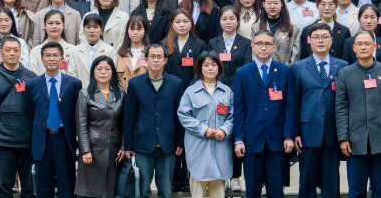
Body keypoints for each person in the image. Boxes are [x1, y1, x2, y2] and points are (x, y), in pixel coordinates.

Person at [336, 31, 381, 198]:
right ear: (354, 48)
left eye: (367, 44)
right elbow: (341, 107)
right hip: (355, 140)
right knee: (356, 190)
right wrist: (343, 138)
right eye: (359, 44)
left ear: (375, 46)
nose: (363, 47)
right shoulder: (345, 73)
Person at [231, 32, 294, 198]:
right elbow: (239, 109)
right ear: (252, 46)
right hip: (252, 140)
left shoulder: (284, 71)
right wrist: (238, 139)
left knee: (276, 191)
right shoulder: (242, 72)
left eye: (267, 44)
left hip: (277, 140)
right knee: (252, 191)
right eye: (259, 43)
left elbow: (290, 107)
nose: (263, 47)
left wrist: (289, 135)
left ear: (274, 47)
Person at [122, 43, 186, 198]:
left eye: (159, 57)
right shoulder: (135, 83)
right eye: (152, 56)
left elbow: (180, 115)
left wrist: (180, 141)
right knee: (141, 191)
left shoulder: (176, 83)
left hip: (168, 145)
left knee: (166, 191)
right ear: (146, 60)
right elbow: (129, 117)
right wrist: (128, 146)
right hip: (142, 145)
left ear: (165, 60)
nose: (156, 60)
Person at [292, 25, 343, 198]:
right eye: (316, 37)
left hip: (332, 132)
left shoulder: (342, 66)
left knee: (331, 184)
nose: (320, 40)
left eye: (324, 36)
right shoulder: (298, 67)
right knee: (307, 183)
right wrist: (295, 132)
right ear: (308, 40)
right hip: (308, 132)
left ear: (331, 40)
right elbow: (294, 102)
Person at [26, 43, 81, 198]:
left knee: (67, 186)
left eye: (55, 55)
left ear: (62, 59)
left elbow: (76, 114)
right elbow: (30, 112)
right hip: (42, 140)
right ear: (42, 59)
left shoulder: (74, 84)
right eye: (48, 55)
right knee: (43, 187)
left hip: (64, 139)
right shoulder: (32, 84)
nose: (51, 59)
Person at [178, 53, 236, 198]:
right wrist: (204, 130)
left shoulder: (227, 91)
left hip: (220, 149)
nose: (210, 68)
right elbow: (184, 116)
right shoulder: (191, 91)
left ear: (219, 67)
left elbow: (233, 116)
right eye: (206, 65)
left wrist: (224, 130)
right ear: (200, 68)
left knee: (218, 193)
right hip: (198, 150)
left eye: (213, 65)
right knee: (198, 192)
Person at [75, 56, 125, 198]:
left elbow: (124, 123)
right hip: (93, 149)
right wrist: (85, 150)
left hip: (114, 149)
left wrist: (123, 146)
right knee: (91, 191)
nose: (103, 72)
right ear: (93, 72)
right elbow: (81, 124)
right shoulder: (85, 94)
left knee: (109, 190)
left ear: (112, 72)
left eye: (107, 69)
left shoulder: (120, 94)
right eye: (99, 69)